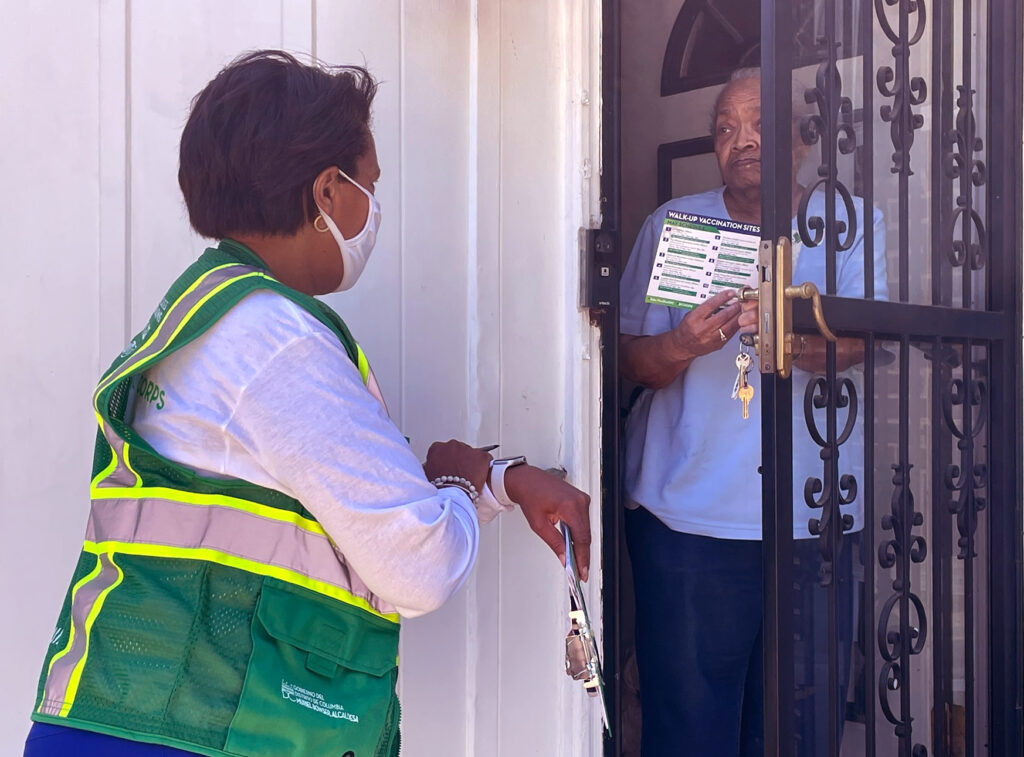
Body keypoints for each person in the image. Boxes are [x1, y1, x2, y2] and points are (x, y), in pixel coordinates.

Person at [24, 50, 590, 757]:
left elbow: (317, 502)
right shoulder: (274, 340)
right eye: (369, 185)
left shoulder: (203, 312)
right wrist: (451, 479)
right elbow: (418, 568)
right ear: (328, 192)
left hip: (124, 715)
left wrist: (496, 482)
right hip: (186, 735)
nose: (373, 208)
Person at [619, 68, 887, 756]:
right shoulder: (678, 225)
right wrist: (683, 342)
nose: (741, 140)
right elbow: (625, 361)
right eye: (725, 128)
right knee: (688, 730)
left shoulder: (850, 226)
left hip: (813, 521)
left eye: (761, 123)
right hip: (687, 526)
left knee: (801, 730)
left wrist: (784, 331)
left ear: (802, 139)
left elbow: (869, 341)